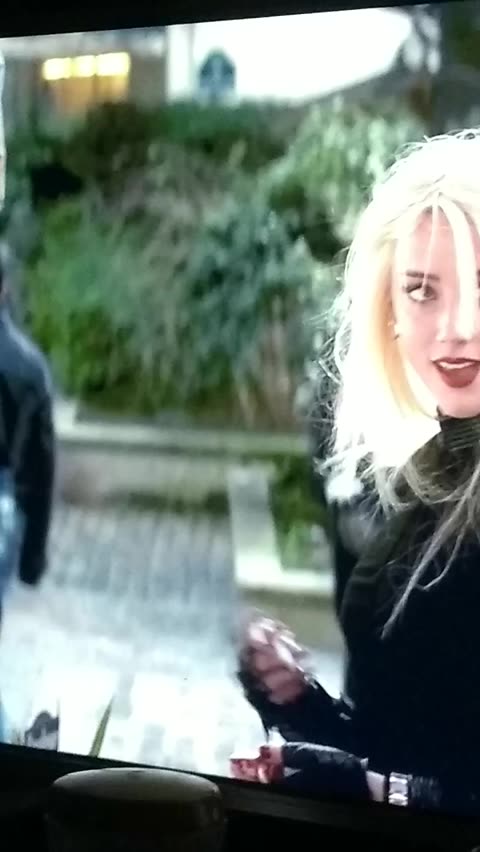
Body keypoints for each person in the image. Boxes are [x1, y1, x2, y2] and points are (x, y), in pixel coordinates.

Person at [234, 128, 480, 818]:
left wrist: (372, 789)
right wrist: (296, 701)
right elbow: (407, 741)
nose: (457, 327)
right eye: (423, 291)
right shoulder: (436, 465)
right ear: (389, 310)